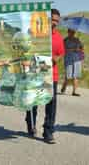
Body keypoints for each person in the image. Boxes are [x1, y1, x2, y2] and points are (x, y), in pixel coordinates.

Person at [25, 8, 65, 144]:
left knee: (51, 105)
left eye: (56, 21)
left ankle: (48, 132)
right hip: (36, 72)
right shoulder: (36, 33)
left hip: (51, 74)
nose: (54, 23)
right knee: (34, 102)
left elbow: (60, 54)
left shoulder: (59, 37)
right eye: (52, 19)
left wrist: (56, 58)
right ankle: (30, 123)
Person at [61, 29, 84, 96]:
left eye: (73, 32)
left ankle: (74, 91)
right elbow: (63, 49)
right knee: (68, 76)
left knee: (75, 76)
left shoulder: (77, 40)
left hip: (77, 59)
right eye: (71, 32)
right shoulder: (65, 40)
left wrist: (79, 49)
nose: (72, 33)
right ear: (68, 32)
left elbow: (82, 48)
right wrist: (73, 49)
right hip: (68, 59)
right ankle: (64, 88)